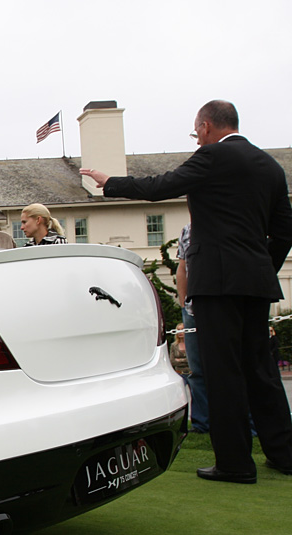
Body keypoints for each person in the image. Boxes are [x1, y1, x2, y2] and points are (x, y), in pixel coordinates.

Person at [80, 99, 292, 483]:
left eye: (197, 133)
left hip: (216, 283)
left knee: (222, 372)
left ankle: (234, 463)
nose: (197, 139)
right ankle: (284, 453)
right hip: (256, 283)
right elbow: (284, 231)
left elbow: (160, 186)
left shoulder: (211, 158)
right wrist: (261, 269)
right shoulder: (271, 167)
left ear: (207, 126)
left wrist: (109, 182)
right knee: (261, 368)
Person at [176, 223, 209, 433]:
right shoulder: (188, 230)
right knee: (197, 370)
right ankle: (202, 423)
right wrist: (183, 303)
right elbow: (182, 268)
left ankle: (249, 424)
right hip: (192, 310)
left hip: (221, 305)